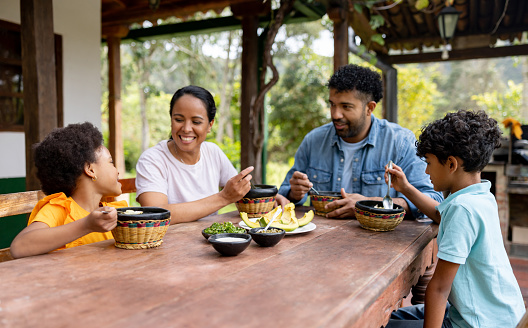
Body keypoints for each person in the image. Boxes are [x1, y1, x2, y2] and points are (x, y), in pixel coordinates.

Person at [385, 110, 525, 328]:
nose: (426, 170)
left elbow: (439, 288)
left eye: (429, 163)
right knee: (395, 317)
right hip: (499, 315)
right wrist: (405, 188)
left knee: (389, 325)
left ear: (451, 164)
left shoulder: (463, 209)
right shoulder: (480, 196)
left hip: (478, 323)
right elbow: (440, 214)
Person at [277, 64, 442, 218]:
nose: (335, 114)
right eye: (332, 105)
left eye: (346, 107)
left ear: (370, 108)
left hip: (382, 242)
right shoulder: (314, 141)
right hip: (319, 240)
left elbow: (433, 201)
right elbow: (284, 195)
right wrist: (294, 193)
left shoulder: (400, 142)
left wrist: (368, 205)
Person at [136, 85, 287, 223]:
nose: (187, 128)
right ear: (171, 120)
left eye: (196, 122)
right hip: (168, 247)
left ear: (210, 125)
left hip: (213, 243)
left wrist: (268, 198)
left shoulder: (212, 152)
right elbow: (154, 215)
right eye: (179, 119)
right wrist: (223, 197)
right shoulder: (152, 160)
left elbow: (240, 190)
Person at [10, 122, 126, 259]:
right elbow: (19, 247)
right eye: (111, 162)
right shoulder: (60, 209)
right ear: (90, 169)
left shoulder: (113, 213)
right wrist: (86, 225)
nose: (117, 171)